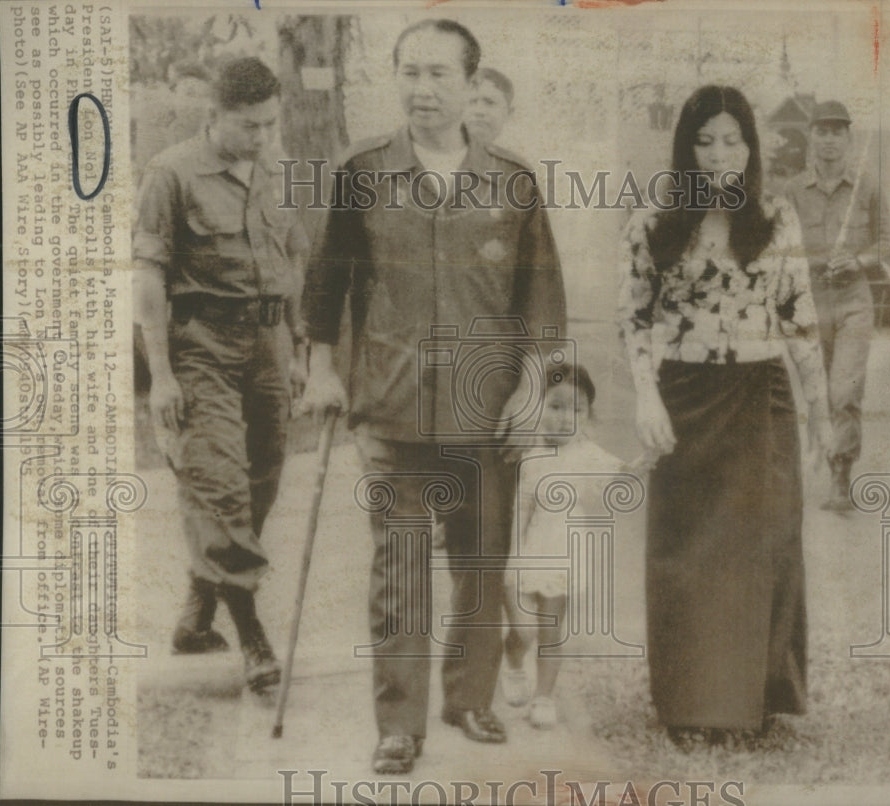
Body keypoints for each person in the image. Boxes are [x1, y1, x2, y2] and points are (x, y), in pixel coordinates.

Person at [301, 19, 566, 774]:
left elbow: (541, 297)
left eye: (437, 75)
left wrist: (535, 388)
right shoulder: (362, 172)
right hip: (392, 405)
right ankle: (398, 723)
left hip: (486, 411)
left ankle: (471, 699)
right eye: (409, 73)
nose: (421, 90)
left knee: (482, 565)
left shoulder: (513, 179)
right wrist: (322, 368)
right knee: (401, 572)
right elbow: (327, 287)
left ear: (470, 83)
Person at [617, 85, 832, 750]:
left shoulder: (775, 215)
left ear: (750, 146)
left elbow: (800, 318)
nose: (717, 155)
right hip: (684, 398)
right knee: (689, 555)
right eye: (703, 142)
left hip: (761, 397)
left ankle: (750, 704)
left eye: (731, 141)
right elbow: (635, 318)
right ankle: (691, 706)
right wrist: (646, 397)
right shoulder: (653, 220)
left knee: (758, 550)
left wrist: (820, 413)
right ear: (685, 148)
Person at [134, 57, 309, 693]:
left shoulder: (280, 171)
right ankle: (253, 636)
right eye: (247, 125)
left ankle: (198, 611)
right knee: (219, 483)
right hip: (200, 340)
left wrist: (298, 347)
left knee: (262, 478)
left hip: (267, 342)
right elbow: (149, 275)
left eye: (269, 123)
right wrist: (162, 376)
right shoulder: (171, 173)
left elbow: (294, 258)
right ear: (214, 116)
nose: (260, 137)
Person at [500, 363, 624, 729]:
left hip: (563, 553)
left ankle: (544, 697)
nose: (563, 418)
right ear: (534, 406)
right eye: (554, 406)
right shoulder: (524, 450)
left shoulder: (585, 451)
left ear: (587, 416)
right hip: (520, 550)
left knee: (551, 630)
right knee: (523, 629)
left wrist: (644, 463)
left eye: (575, 409)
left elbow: (619, 473)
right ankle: (512, 660)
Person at [783, 101, 890, 511]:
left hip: (852, 301)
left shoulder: (867, 186)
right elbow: (781, 244)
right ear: (811, 137)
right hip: (809, 303)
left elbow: (885, 239)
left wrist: (860, 260)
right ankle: (819, 460)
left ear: (848, 138)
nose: (829, 140)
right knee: (818, 391)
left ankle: (840, 475)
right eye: (822, 131)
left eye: (837, 132)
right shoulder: (793, 190)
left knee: (844, 388)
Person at [464, 66, 515, 145]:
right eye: (471, 102)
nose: (479, 111)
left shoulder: (509, 156)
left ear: (508, 113)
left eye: (489, 102)